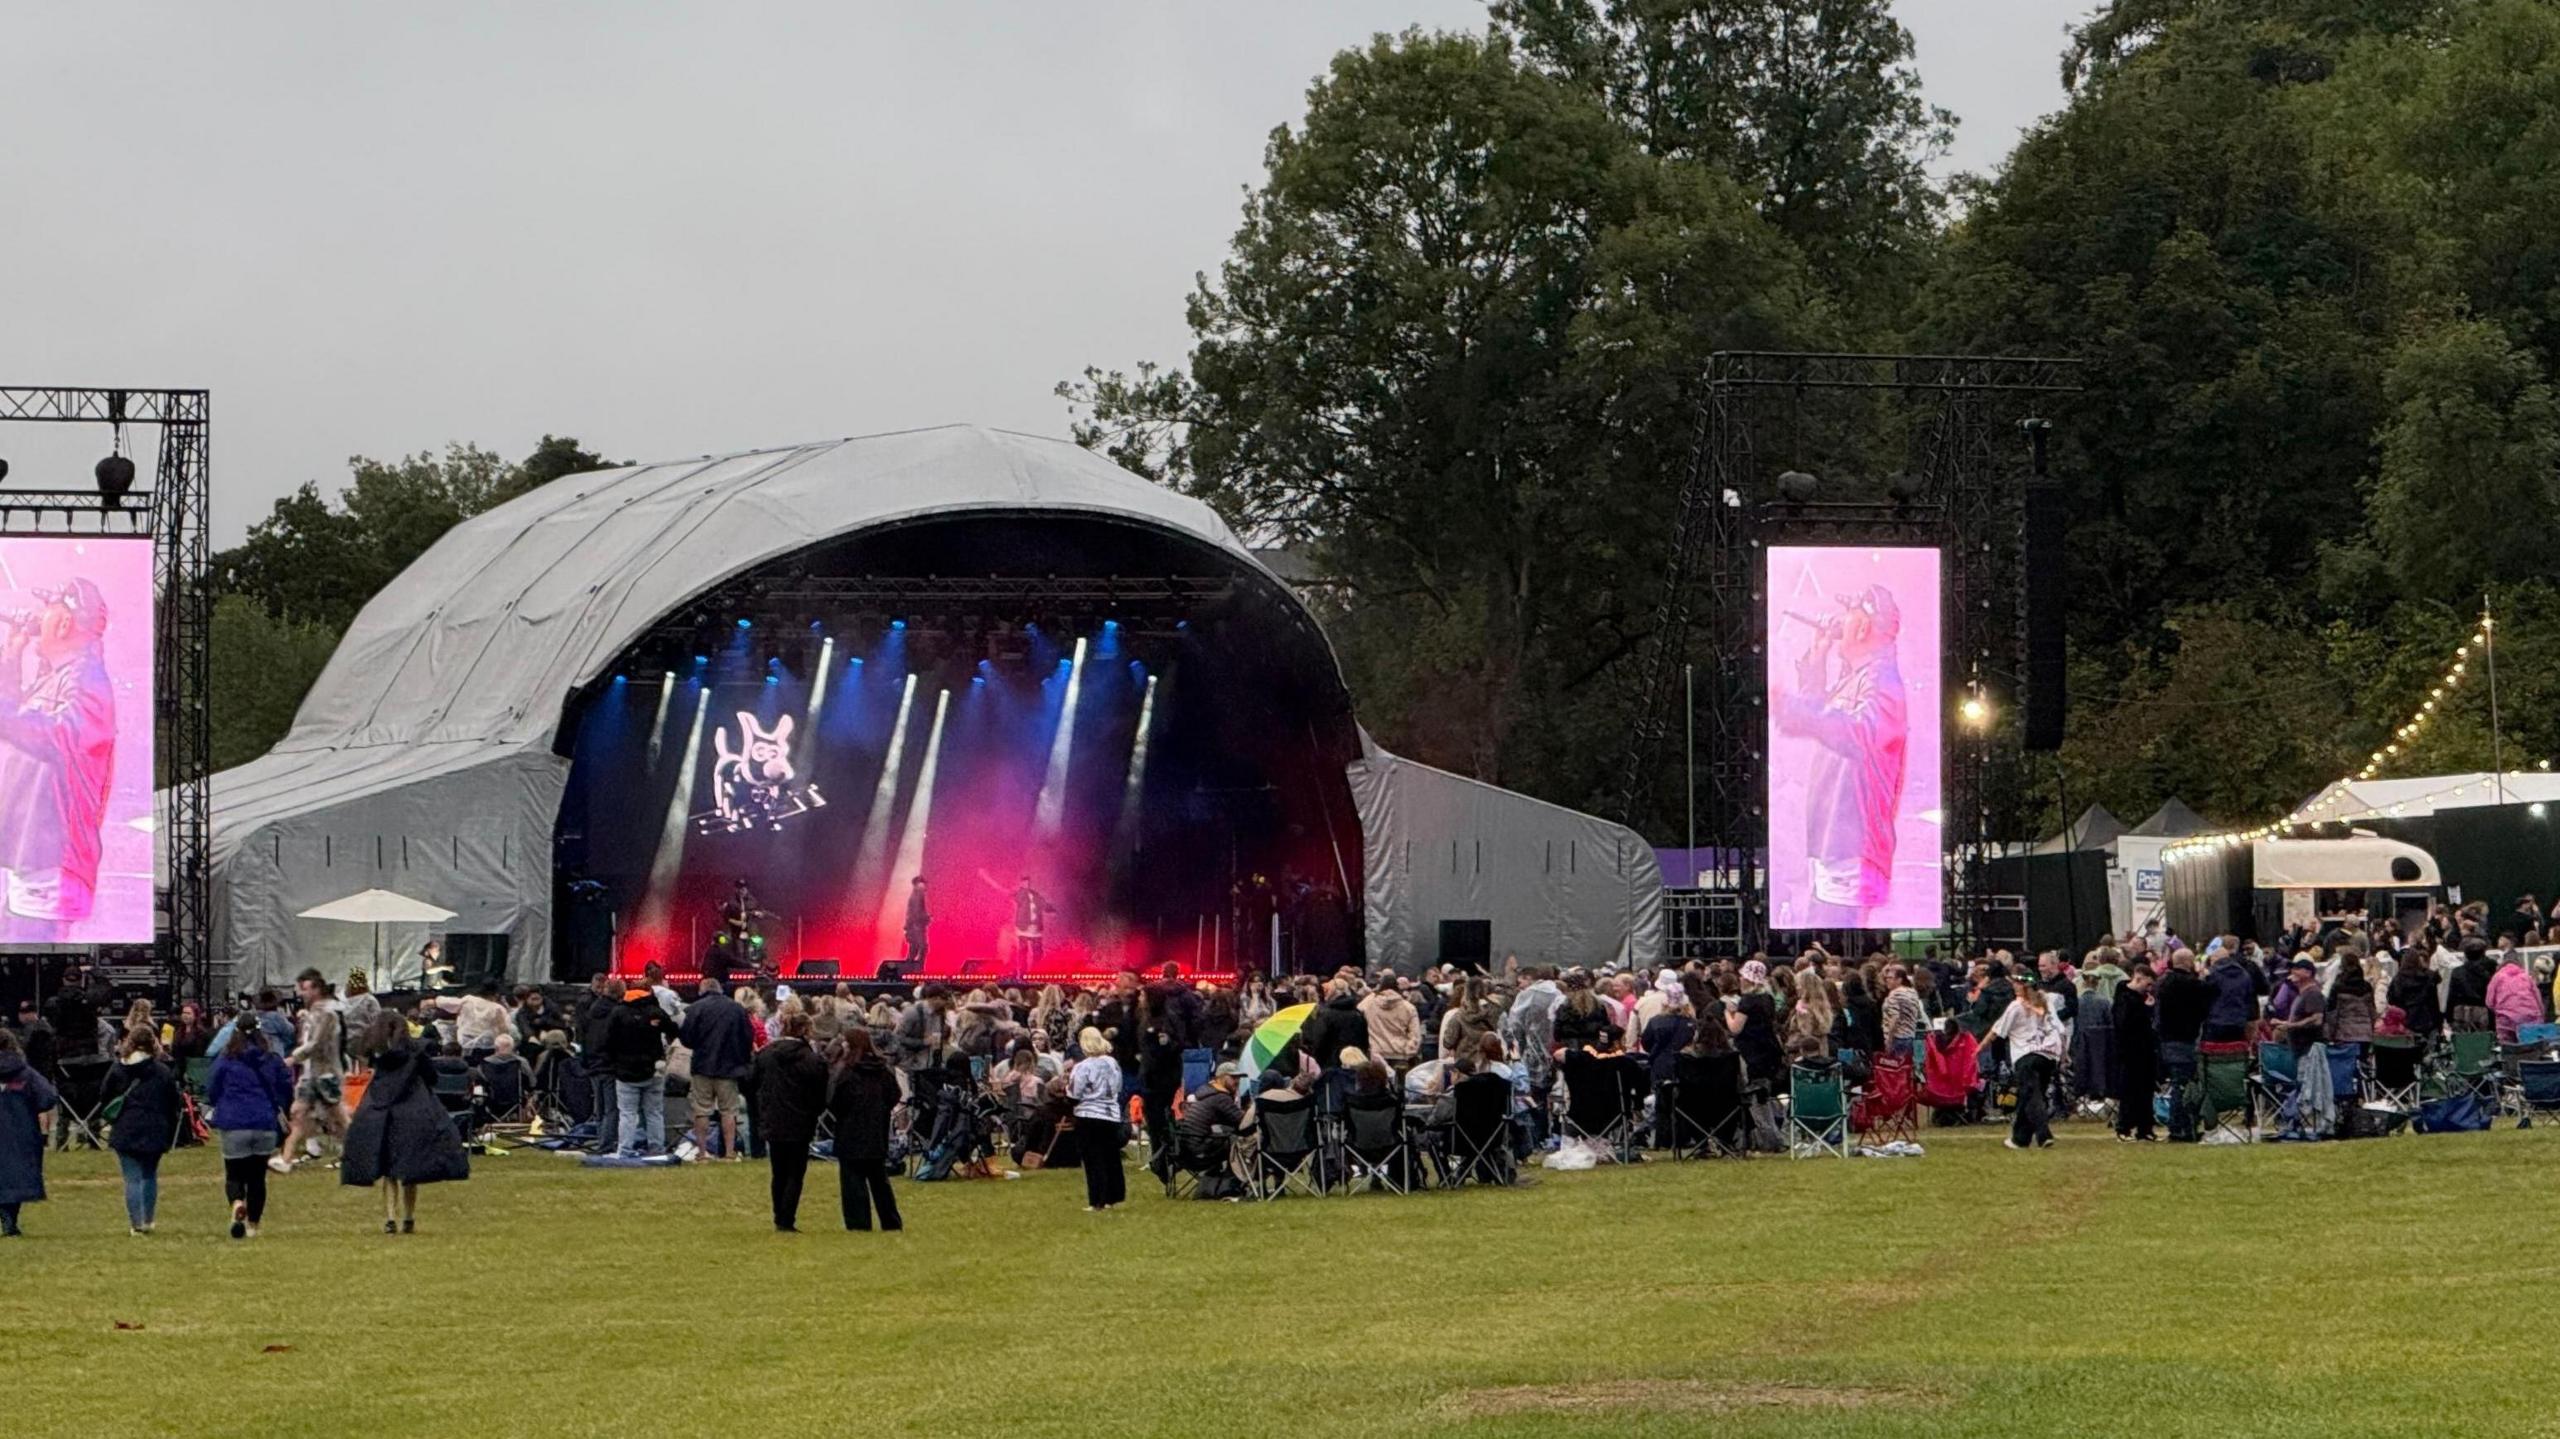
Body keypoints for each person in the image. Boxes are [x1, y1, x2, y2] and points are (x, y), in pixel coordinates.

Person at [1772, 582, 1908, 927]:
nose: (1838, 622)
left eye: (1848, 615)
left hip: (1852, 852)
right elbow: (1827, 715)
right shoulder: (1859, 678)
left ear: (1862, 626)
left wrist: (1795, 711)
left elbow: (1858, 733)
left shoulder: (1883, 682)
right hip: (1835, 845)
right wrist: (1817, 658)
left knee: (1836, 947)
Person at [0, 577, 116, 939]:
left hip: (52, 869)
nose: (39, 618)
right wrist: (13, 652)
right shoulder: (59, 677)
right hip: (31, 866)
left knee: (27, 977)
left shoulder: (88, 679)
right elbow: (16, 712)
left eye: (48, 609)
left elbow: (56, 734)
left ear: (65, 622)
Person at [340, 1013, 470, 1233]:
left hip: (381, 1112)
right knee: (410, 1169)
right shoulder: (417, 1052)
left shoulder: (377, 1055)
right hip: (413, 1111)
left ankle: (390, 1219)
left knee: (389, 1171)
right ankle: (408, 1218)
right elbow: (432, 1077)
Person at [206, 1018, 292, 1239]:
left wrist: (220, 1104)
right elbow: (285, 1086)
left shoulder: (225, 1060)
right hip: (264, 1121)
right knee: (257, 1177)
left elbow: (212, 1088)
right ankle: (253, 1225)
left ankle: (236, 1202)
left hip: (234, 1122)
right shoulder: (271, 1059)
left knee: (234, 1173)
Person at [743, 1010, 829, 1231]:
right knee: (795, 1172)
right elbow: (821, 1091)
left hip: (773, 1117)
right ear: (805, 1031)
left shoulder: (766, 1054)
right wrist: (813, 1111)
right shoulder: (811, 1059)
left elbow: (749, 1083)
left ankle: (779, 1215)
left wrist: (762, 1106)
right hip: (801, 1119)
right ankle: (786, 1218)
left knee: (778, 1171)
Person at [101, 1027, 182, 1234]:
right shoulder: (162, 1071)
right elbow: (174, 1102)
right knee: (149, 1175)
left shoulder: (118, 1069)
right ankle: (148, 1220)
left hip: (126, 1127)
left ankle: (136, 1224)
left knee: (132, 1178)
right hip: (155, 1127)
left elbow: (105, 1095)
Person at [825, 1028, 903, 1232]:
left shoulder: (846, 1072)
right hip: (876, 1131)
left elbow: (834, 1101)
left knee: (853, 1181)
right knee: (880, 1181)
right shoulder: (882, 1070)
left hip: (850, 1132)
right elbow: (895, 1095)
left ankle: (859, 1222)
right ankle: (890, 1220)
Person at [275, 968, 347, 1174]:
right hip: (311, 1073)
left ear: (317, 989)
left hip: (326, 1073)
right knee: (298, 1113)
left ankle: (357, 1153)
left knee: (338, 1121)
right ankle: (286, 1158)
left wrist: (292, 1058)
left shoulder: (328, 1013)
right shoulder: (315, 1013)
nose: (300, 993)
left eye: (304, 989)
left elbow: (317, 1044)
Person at [679, 978, 755, 1160]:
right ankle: (729, 1153)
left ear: (702, 990)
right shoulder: (737, 1009)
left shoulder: (695, 1008)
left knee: (702, 1110)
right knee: (729, 1111)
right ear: (720, 989)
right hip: (729, 1068)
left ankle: (702, 1153)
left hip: (702, 1067)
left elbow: (686, 1038)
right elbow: (747, 1037)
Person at [605, 981, 678, 1157]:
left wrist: (615, 1063)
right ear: (649, 991)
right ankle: (656, 1149)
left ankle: (624, 1149)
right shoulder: (655, 1011)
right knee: (654, 1112)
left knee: (627, 1113)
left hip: (625, 1071)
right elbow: (674, 1030)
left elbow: (608, 1041)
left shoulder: (618, 1012)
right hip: (653, 1069)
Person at [1990, 981, 2063, 1151]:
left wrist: (1979, 1049)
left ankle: (2044, 1134)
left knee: (2031, 1095)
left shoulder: (2016, 1006)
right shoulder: (2047, 1002)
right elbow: (2059, 1029)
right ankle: (2020, 1138)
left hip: (2026, 1053)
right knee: (2030, 1095)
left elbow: (1999, 1031)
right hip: (2049, 1054)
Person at [0, 1029, 57, 1236]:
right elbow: (47, 1097)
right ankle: (10, 1220)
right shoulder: (25, 1073)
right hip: (21, 1131)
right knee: (15, 1177)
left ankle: (6, 1219)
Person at [1067, 1027, 1126, 1211]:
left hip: (1088, 1114)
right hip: (1110, 1113)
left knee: (1093, 1159)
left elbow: (1074, 1092)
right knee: (1111, 1156)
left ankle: (1097, 1200)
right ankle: (1113, 1196)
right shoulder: (1112, 1063)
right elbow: (1119, 1086)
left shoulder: (1082, 1067)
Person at [2110, 966, 2159, 1141]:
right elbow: (2125, 1024)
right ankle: (2124, 1128)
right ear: (2138, 979)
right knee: (2130, 1091)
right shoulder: (2124, 998)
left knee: (2146, 1091)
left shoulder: (2142, 998)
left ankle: (2145, 1128)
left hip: (2146, 1051)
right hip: (2129, 1052)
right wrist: (2145, 1009)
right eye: (2148, 984)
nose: (2150, 988)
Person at [903, 876, 932, 965]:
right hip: (916, 926)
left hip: (916, 926)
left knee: (915, 947)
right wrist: (926, 918)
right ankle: (916, 967)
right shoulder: (917, 896)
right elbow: (916, 912)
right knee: (922, 947)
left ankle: (910, 966)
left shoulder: (916, 896)